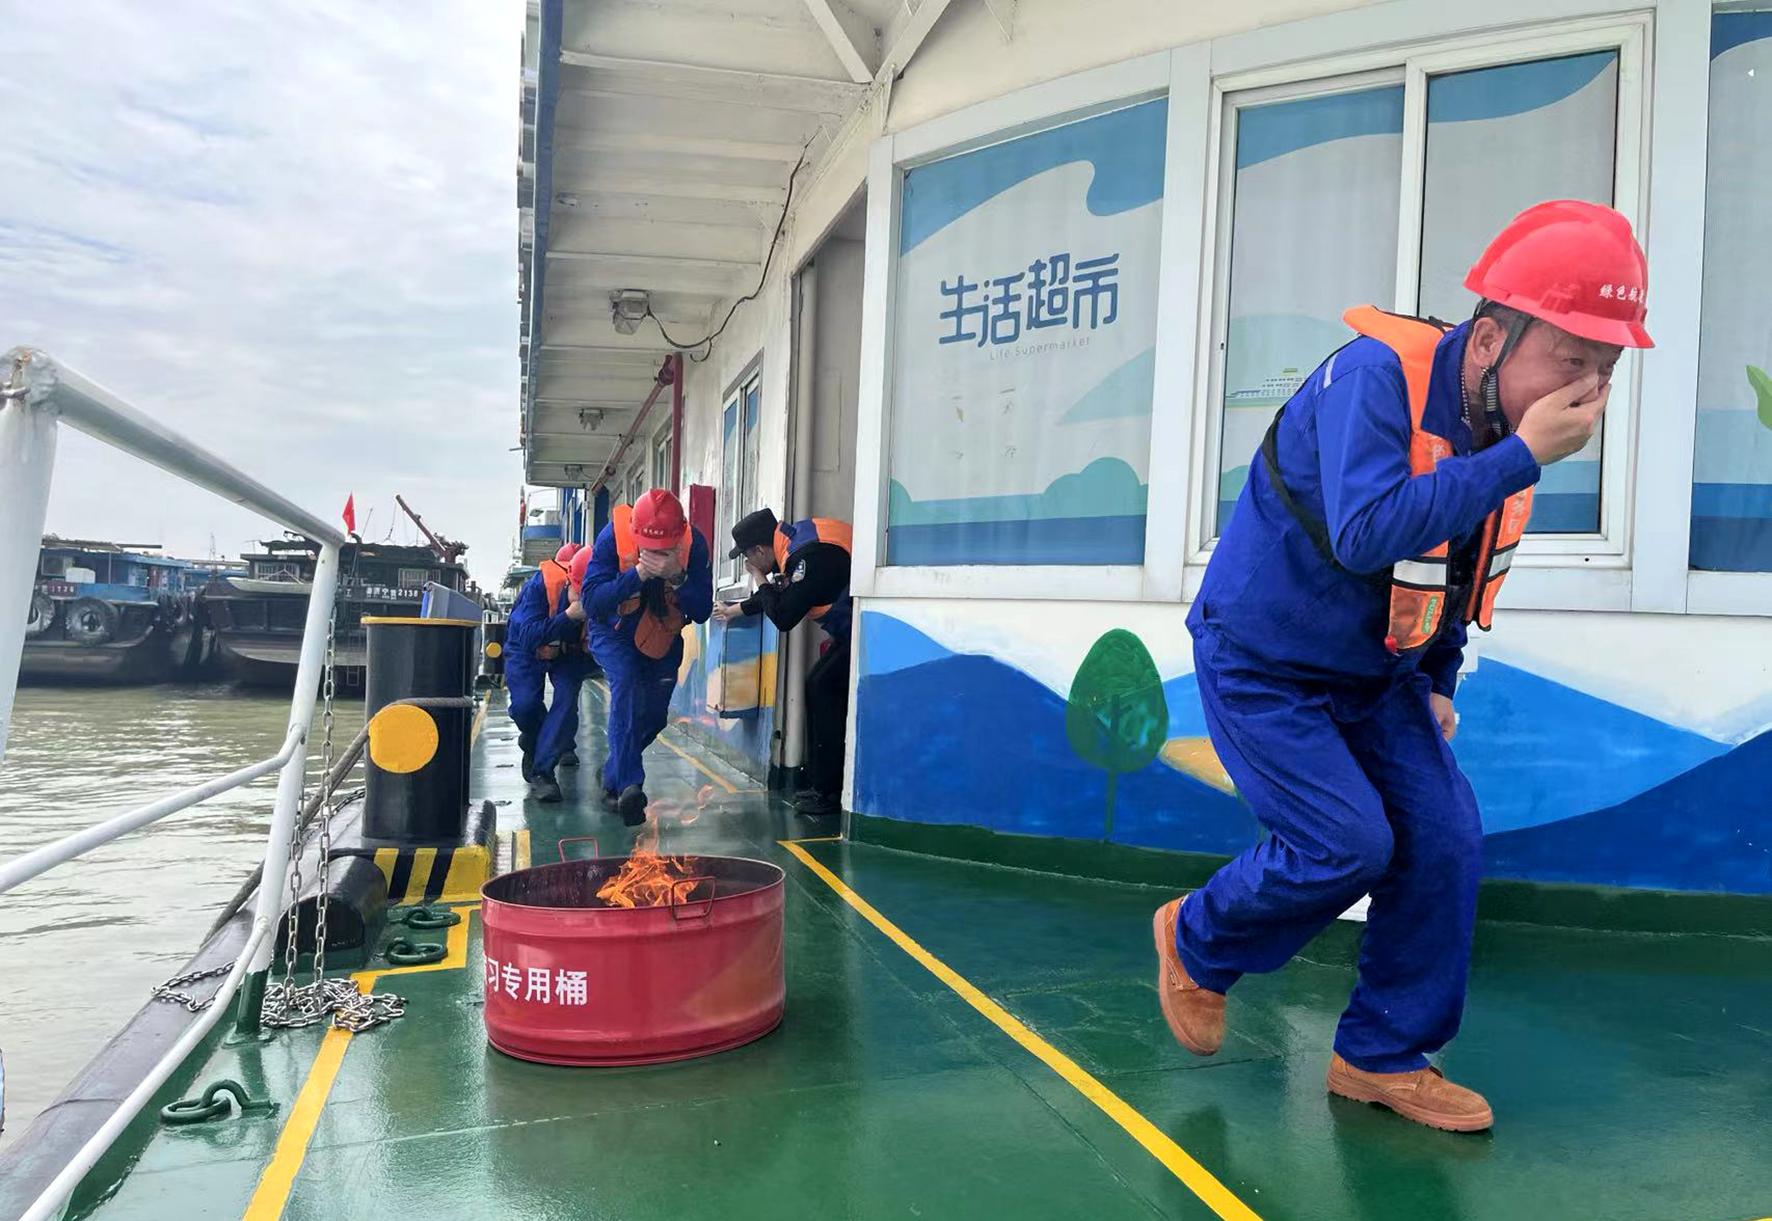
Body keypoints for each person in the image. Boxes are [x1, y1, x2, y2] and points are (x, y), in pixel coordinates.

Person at [1153, 200, 1653, 1132]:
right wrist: (1520, 455)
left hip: (1377, 674)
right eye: (1571, 358)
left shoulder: (1499, 436)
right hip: (1263, 660)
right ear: (1491, 339)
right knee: (1345, 842)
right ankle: (1196, 937)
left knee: (1447, 837)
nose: (1589, 389)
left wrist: (1436, 681)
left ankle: (1381, 1053)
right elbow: (1366, 532)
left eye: (1607, 367)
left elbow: (1458, 571)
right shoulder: (1375, 378)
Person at [582, 489, 713, 826]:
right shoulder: (612, 536)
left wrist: (677, 577)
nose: (656, 551)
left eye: (664, 546)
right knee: (625, 684)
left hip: (662, 635)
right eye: (649, 546)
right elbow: (592, 601)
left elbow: (701, 610)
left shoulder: (694, 544)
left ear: (679, 533)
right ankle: (630, 787)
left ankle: (614, 770)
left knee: (654, 717)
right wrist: (637, 574)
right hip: (613, 632)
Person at [713, 509, 852, 815]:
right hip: (853, 630)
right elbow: (782, 594)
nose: (749, 564)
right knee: (818, 683)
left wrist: (758, 577)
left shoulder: (807, 558)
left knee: (822, 686)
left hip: (864, 630)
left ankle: (828, 791)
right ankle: (822, 784)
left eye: (748, 558)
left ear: (759, 550)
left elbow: (784, 616)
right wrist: (735, 610)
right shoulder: (795, 544)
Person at [503, 542, 589, 802]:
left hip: (568, 651)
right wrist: (569, 617)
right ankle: (534, 738)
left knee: (566, 700)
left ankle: (543, 772)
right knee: (524, 706)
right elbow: (528, 635)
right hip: (525, 648)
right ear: (569, 580)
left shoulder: (603, 590)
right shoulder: (539, 587)